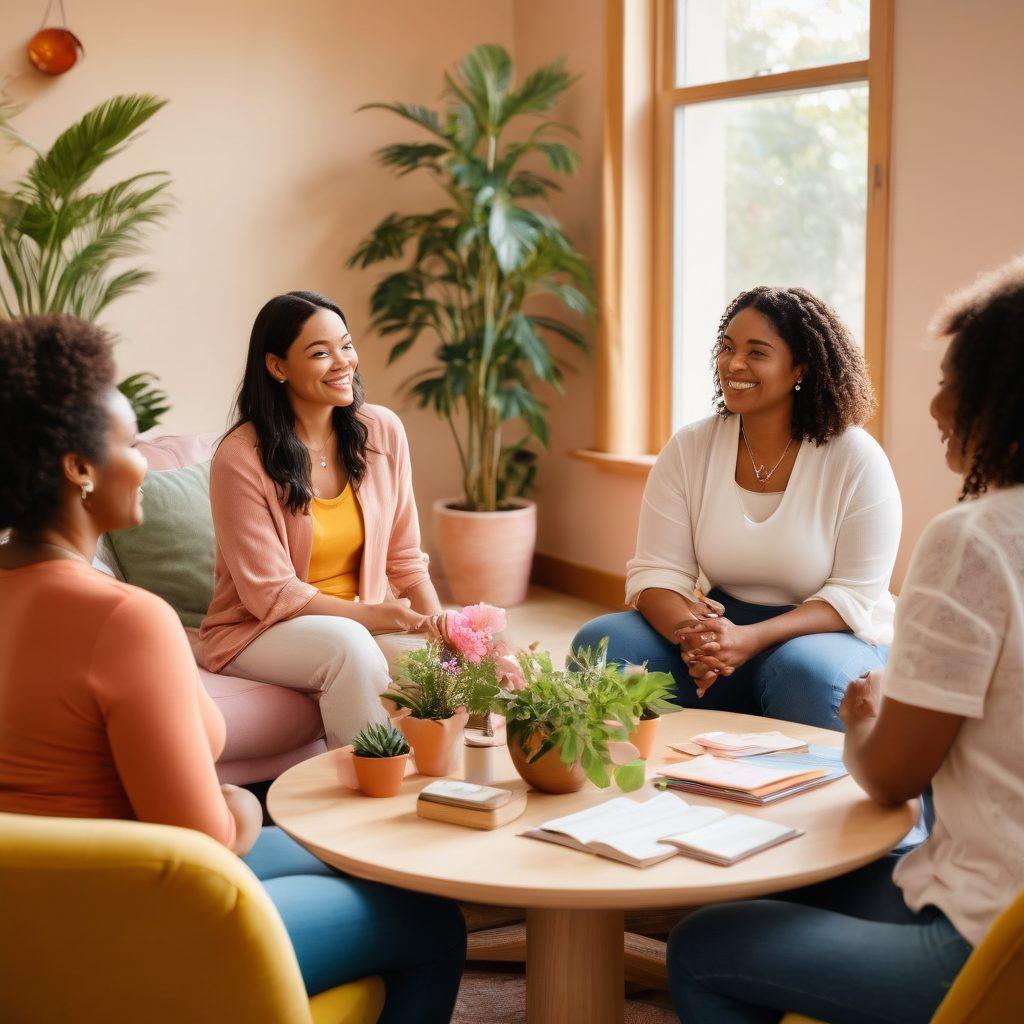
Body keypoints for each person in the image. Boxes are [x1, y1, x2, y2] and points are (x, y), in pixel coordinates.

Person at [0, 314, 465, 1023]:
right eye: (129, 445)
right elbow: (207, 843)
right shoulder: (128, 620)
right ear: (79, 469)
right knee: (430, 919)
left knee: (339, 859)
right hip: (138, 928)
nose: (146, 464)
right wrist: (248, 803)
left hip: (22, 933)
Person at [667, 256, 1024, 1023]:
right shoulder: (696, 446)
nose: (935, 403)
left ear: (1003, 394)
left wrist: (865, 713)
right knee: (779, 870)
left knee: (702, 945)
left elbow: (892, 778)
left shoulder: (976, 541)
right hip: (978, 889)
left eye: (954, 375)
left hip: (985, 941)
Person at [572, 286, 902, 729]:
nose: (734, 364)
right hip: (720, 627)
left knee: (802, 672)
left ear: (800, 367)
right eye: (727, 348)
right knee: (602, 644)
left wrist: (749, 639)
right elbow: (656, 574)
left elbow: (853, 596)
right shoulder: (690, 447)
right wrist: (696, 638)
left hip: (828, 636)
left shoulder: (855, 457)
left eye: (757, 352)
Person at [200, 290, 450, 748]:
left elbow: (406, 558)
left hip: (359, 614)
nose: (342, 363)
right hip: (260, 630)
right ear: (277, 367)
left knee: (444, 673)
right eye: (320, 353)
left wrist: (443, 636)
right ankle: (370, 788)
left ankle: (443, 793)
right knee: (350, 646)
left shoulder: (381, 432)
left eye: (347, 345)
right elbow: (269, 593)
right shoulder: (240, 457)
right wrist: (371, 616)